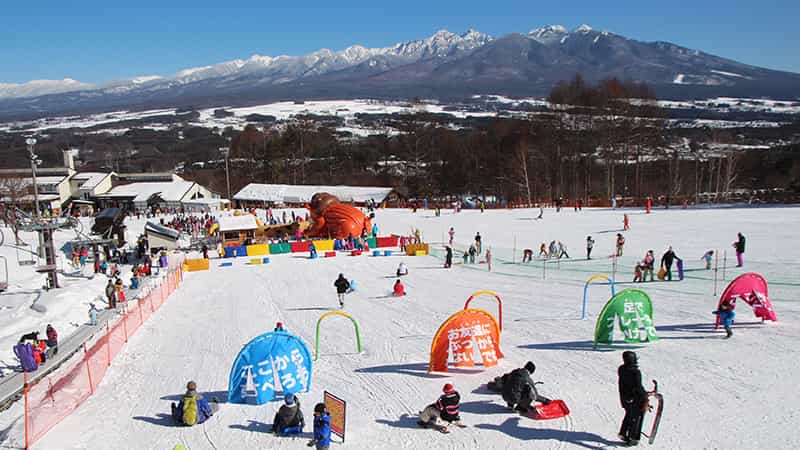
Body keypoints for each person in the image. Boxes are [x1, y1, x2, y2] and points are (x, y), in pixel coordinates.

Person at [618, 351, 648, 446]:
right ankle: (633, 437)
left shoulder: (621, 369)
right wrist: (645, 395)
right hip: (635, 398)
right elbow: (638, 387)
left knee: (629, 414)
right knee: (637, 417)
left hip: (624, 397)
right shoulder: (635, 372)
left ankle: (623, 433)